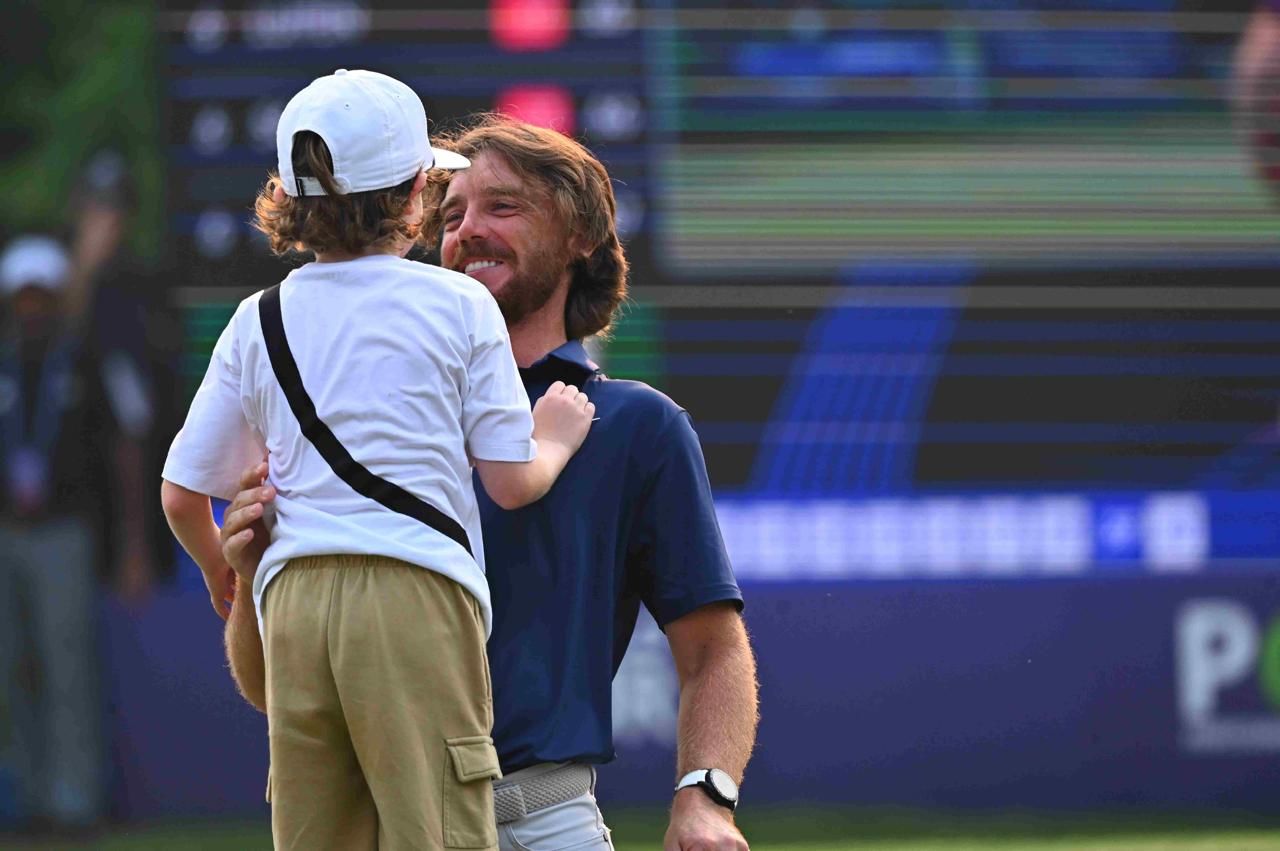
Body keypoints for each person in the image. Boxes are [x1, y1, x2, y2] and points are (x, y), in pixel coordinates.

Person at [220, 115, 759, 851]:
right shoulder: (351, 422)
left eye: (502, 207)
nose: (467, 231)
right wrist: (255, 577)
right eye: (449, 215)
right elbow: (267, 693)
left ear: (582, 236)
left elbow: (714, 652)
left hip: (541, 820)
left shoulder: (635, 426)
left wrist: (707, 797)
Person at [159, 73, 595, 851]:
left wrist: (225, 578)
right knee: (437, 824)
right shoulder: (457, 305)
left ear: (290, 199)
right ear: (415, 194)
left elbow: (183, 496)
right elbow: (509, 479)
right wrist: (555, 437)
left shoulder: (257, 317)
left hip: (293, 603)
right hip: (415, 596)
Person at [0, 235, 136, 836]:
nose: (32, 307)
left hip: (64, 532)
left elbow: (124, 444)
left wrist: (132, 540)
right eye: (22, 296)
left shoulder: (84, 358)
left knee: (67, 667)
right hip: (5, 533)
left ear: (56, 299)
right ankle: (26, 799)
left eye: (42, 296)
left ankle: (75, 803)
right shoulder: (3, 362)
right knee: (11, 670)